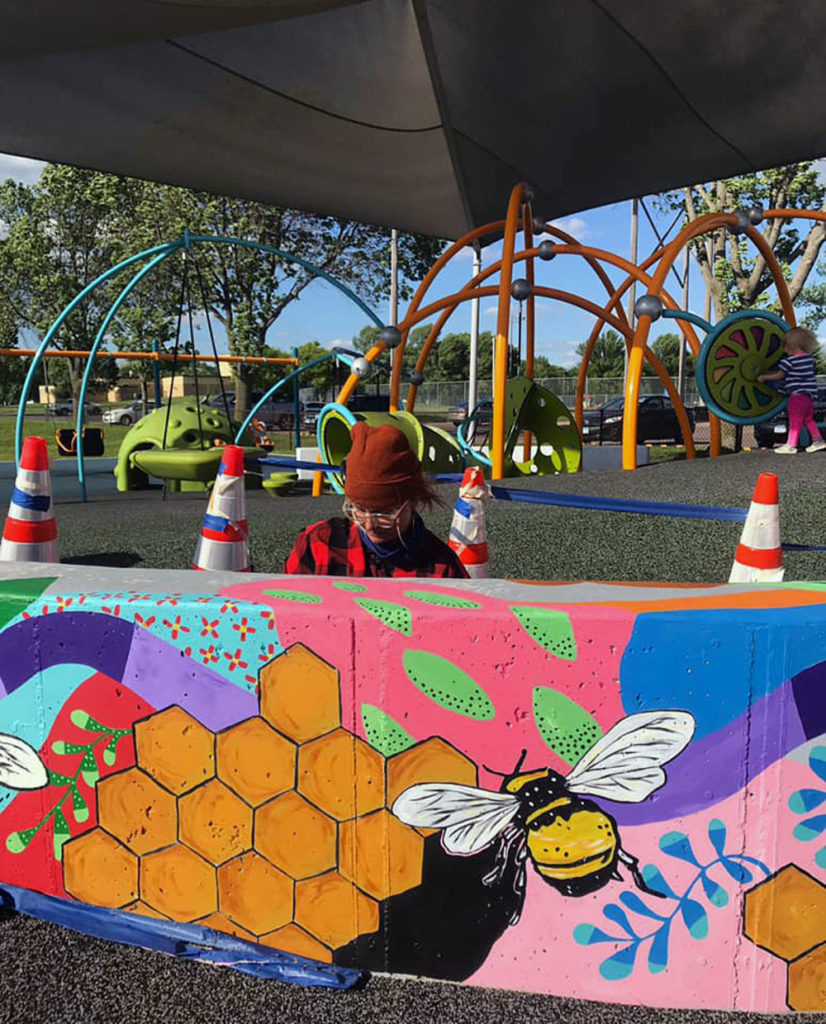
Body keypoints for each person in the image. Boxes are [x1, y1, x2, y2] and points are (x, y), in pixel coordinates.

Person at [284, 422, 469, 578]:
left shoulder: (442, 567)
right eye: (359, 510)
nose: (370, 525)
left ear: (413, 501)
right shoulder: (319, 545)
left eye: (385, 513)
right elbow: (282, 609)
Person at [758, 327, 826, 454]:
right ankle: (818, 441)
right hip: (809, 397)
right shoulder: (810, 360)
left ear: (789, 346)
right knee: (808, 419)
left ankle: (791, 445)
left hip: (797, 397)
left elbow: (779, 376)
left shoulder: (788, 361)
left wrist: (764, 377)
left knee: (795, 421)